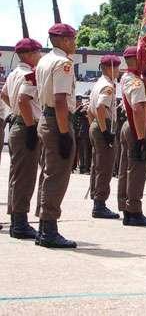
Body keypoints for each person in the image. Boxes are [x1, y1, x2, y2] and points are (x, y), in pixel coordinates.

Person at [35, 23, 78, 248]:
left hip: (46, 116)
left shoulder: (44, 60)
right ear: (63, 40)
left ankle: (44, 227)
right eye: (72, 38)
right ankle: (49, 229)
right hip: (56, 119)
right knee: (57, 175)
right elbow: (61, 99)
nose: (75, 42)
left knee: (48, 173)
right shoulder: (63, 63)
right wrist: (64, 133)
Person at [1, 38, 43, 239]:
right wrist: (29, 125)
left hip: (18, 123)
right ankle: (20, 223)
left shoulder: (14, 74)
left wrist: (15, 111)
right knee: (25, 177)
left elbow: (4, 94)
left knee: (17, 176)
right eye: (37, 52)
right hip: (27, 125)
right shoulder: (30, 74)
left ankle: (17, 221)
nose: (40, 56)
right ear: (27, 54)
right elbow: (23, 101)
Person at [118, 46, 146, 227]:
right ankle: (134, 210)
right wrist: (141, 137)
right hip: (138, 127)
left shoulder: (131, 78)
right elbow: (139, 107)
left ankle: (127, 207)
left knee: (128, 169)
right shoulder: (134, 81)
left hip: (132, 126)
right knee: (137, 169)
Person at [88, 54, 121, 219]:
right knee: (105, 167)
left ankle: (97, 199)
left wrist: (95, 127)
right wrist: (104, 131)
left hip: (96, 124)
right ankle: (100, 204)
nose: (119, 70)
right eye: (117, 67)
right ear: (110, 68)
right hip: (103, 125)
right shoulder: (108, 86)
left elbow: (90, 111)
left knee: (97, 165)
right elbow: (101, 107)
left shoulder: (97, 84)